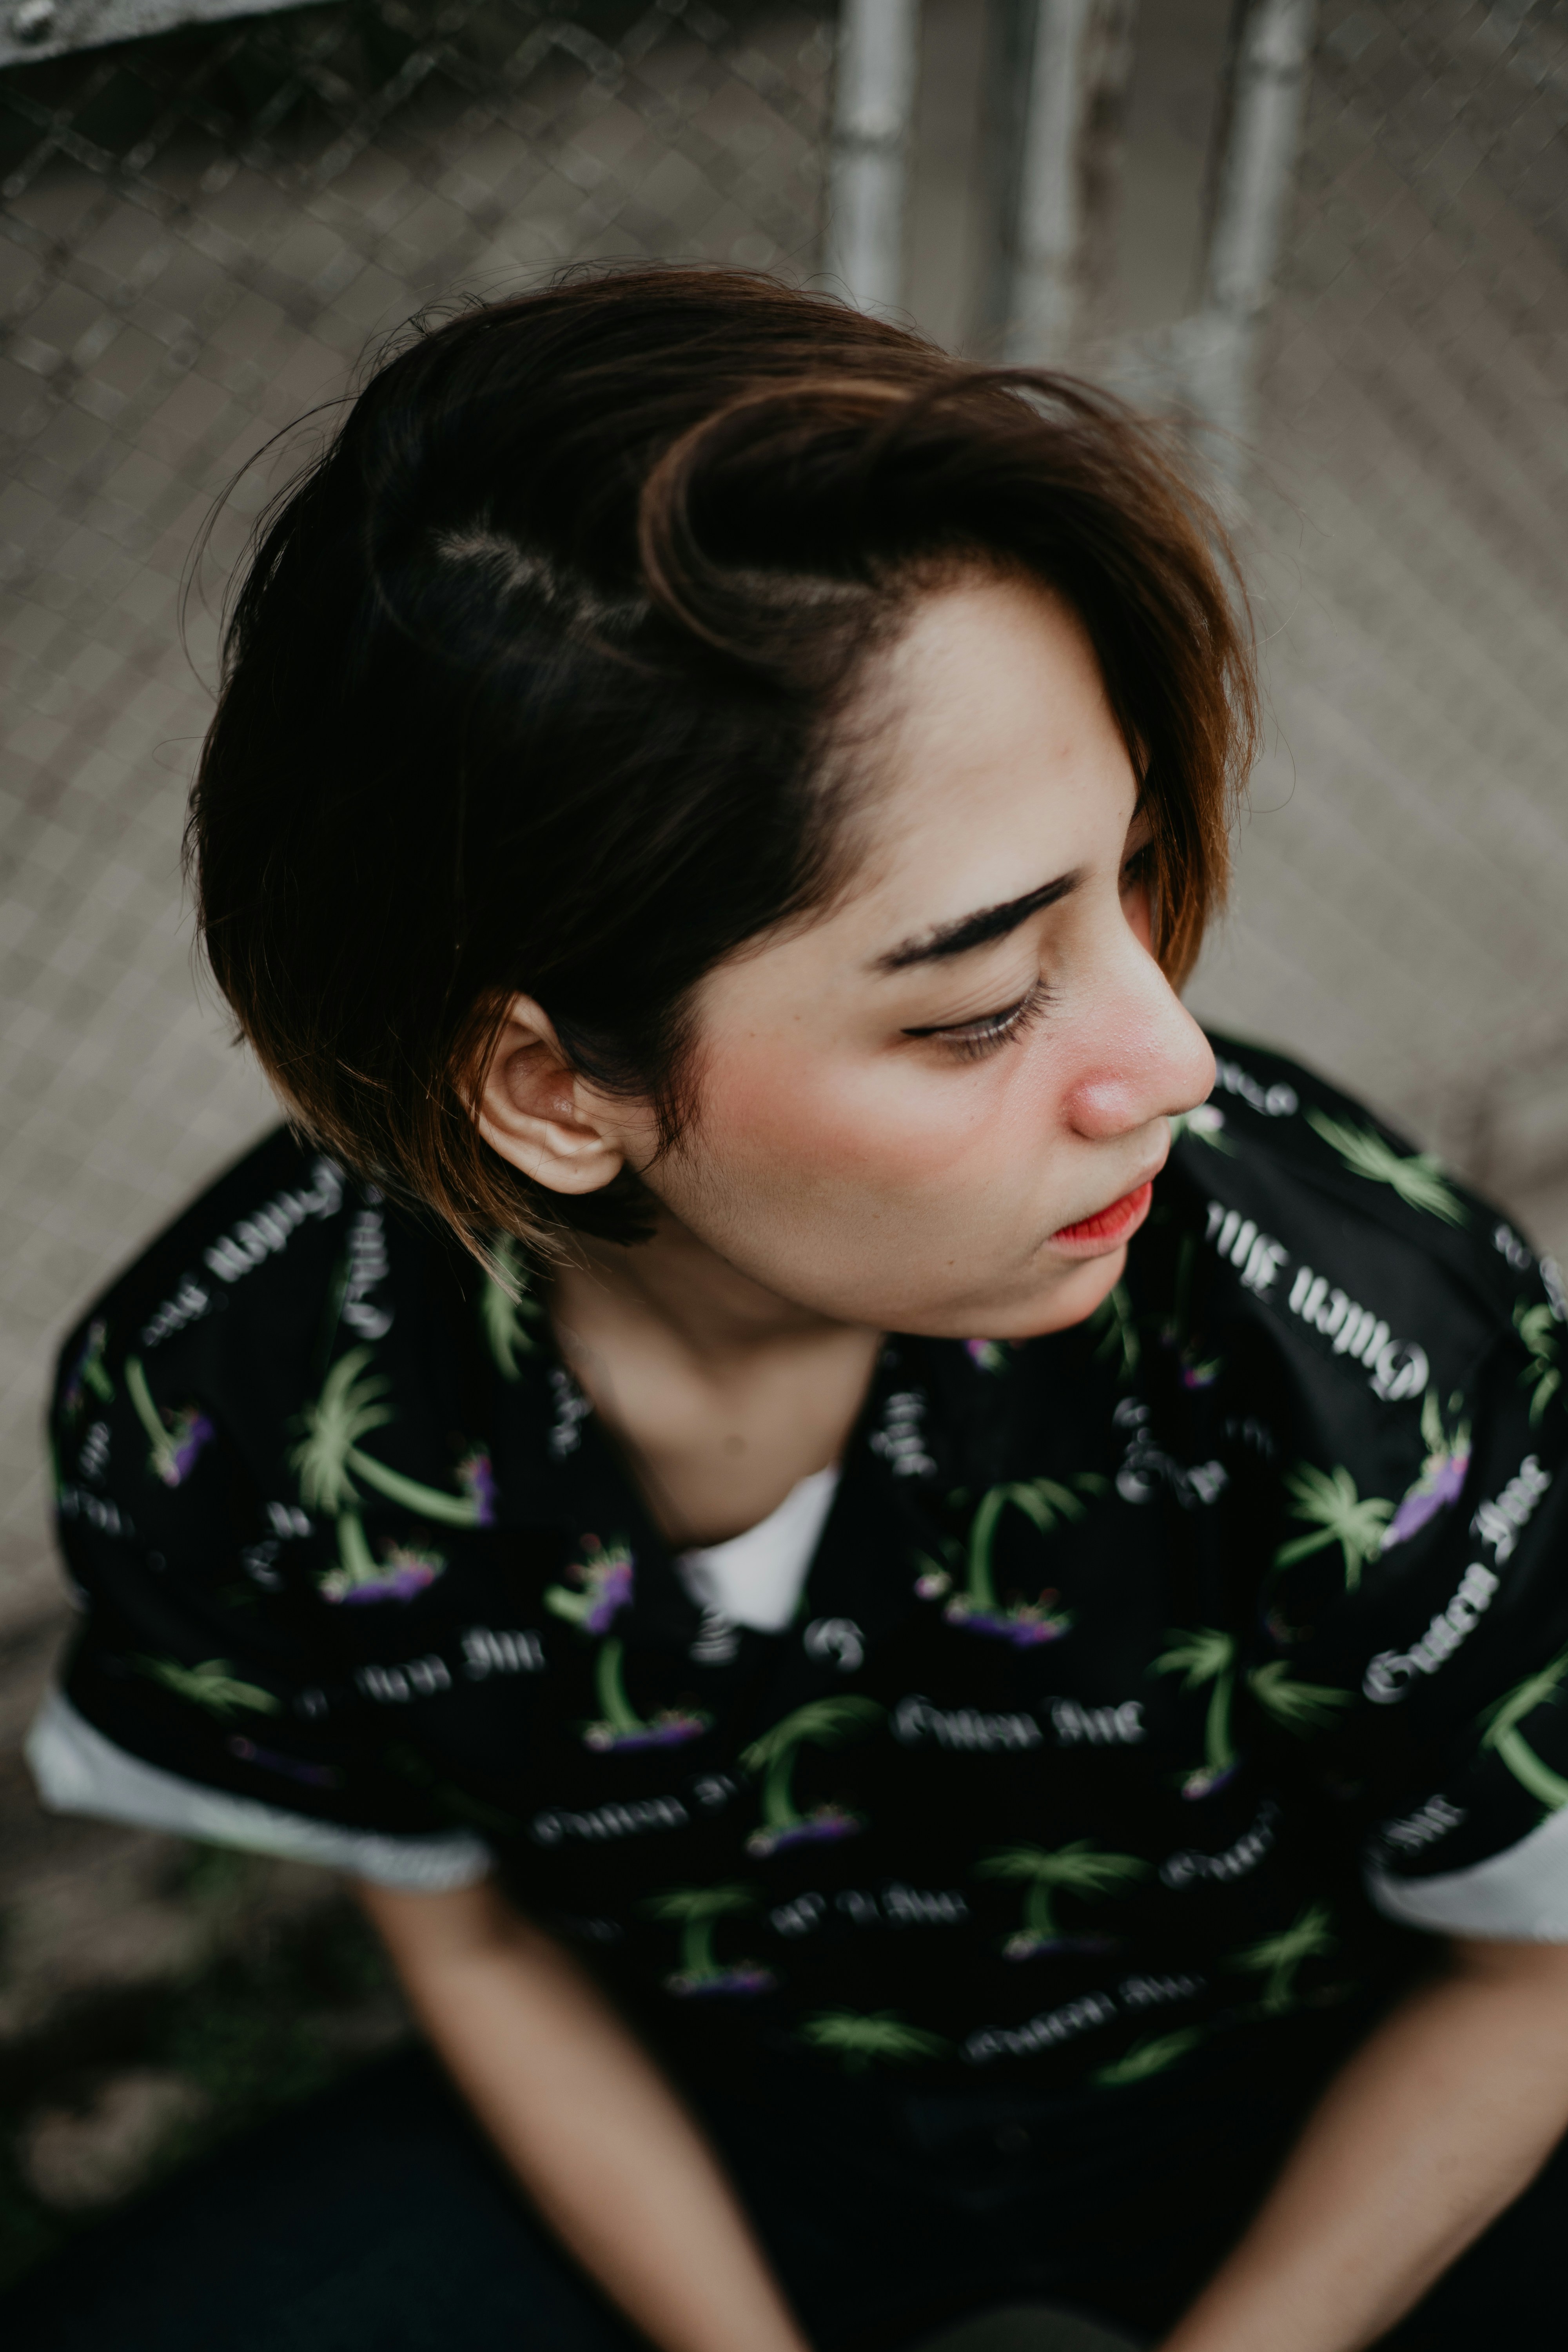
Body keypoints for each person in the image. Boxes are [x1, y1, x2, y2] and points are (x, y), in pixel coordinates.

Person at [18, 267, 1568, 2352]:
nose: (1175, 1060)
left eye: (1128, 881)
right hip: (723, 2122)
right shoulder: (239, 1399)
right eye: (978, 1004)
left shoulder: (1357, 1338)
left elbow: (1539, 1971)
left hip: (1321, 2114)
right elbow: (468, 1942)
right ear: (555, 1088)